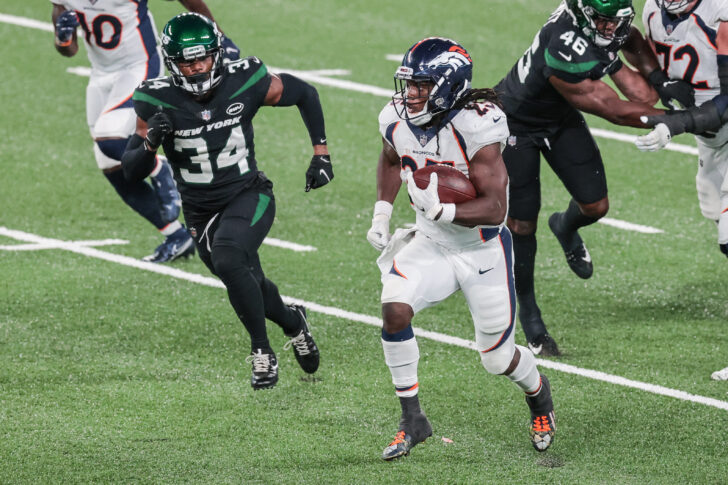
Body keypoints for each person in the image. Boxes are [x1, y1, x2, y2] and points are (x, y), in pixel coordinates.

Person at [366, 37, 556, 460]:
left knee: (497, 359)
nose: (409, 94)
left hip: (481, 250)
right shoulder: (395, 117)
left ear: (448, 86)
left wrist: (446, 212)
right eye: (408, 84)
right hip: (431, 243)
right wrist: (381, 212)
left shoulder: (478, 125)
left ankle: (539, 396)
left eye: (421, 86)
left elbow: (496, 208)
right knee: (394, 307)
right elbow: (392, 157)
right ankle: (413, 418)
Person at [122, 13, 332, 389]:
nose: (197, 67)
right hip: (200, 211)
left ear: (216, 54)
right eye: (188, 61)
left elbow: (305, 93)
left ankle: (262, 353)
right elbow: (131, 171)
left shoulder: (245, 80)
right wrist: (150, 141)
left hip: (248, 194)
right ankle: (292, 322)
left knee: (230, 257)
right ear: (172, 63)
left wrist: (321, 153)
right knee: (247, 279)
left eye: (202, 58)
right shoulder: (154, 99)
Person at [493, 0, 694, 356]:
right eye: (601, 21)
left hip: (558, 117)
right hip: (515, 123)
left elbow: (629, 38)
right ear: (584, 15)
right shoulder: (563, 46)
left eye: (612, 21)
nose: (608, 29)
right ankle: (530, 316)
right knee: (522, 225)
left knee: (595, 205)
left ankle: (565, 226)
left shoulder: (602, 25)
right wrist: (677, 119)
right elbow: (612, 109)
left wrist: (660, 81)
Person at [50, 0, 240, 262]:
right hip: (100, 76)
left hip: (138, 66)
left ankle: (161, 168)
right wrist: (62, 38)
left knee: (109, 137)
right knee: (110, 163)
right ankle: (177, 235)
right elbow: (68, 49)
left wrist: (218, 35)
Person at [635, 0, 728, 262]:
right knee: (717, 218)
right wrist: (660, 81)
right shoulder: (652, 11)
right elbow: (648, 57)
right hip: (709, 139)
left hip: (718, 121)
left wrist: (676, 124)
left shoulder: (721, 13)